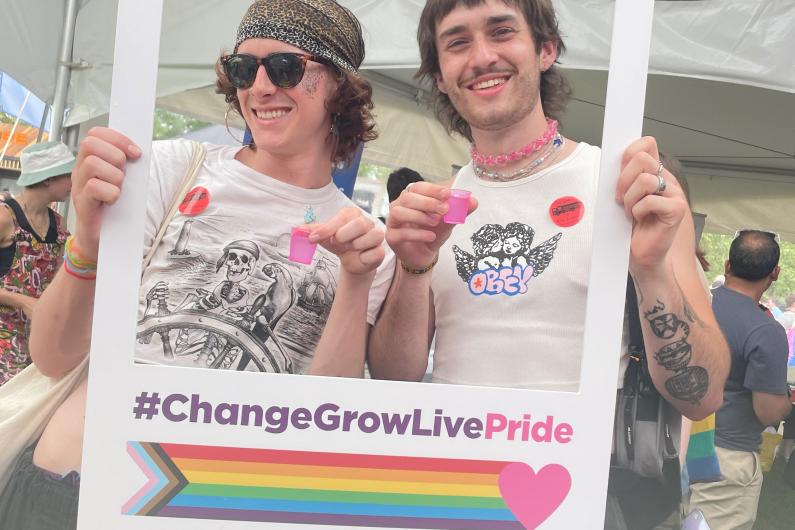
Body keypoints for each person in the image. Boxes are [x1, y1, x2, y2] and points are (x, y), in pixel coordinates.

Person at [0, 1, 393, 528]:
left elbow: (325, 416)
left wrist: (355, 279)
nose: (259, 87)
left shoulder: (367, 246)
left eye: (284, 67)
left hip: (220, 506)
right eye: (242, 68)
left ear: (340, 85)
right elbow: (52, 355)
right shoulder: (164, 170)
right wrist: (88, 240)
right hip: (73, 486)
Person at [368, 0, 730, 527]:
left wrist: (650, 271)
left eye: (501, 32)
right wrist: (415, 267)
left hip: (597, 496)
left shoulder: (627, 189)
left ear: (545, 49)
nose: (482, 56)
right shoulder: (433, 210)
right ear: (440, 76)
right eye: (457, 41)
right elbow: (394, 379)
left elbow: (704, 396)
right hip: (453, 492)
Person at [689, 230, 793, 530]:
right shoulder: (765, 330)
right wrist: (786, 400)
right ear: (775, 273)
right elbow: (768, 411)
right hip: (726, 457)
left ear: (726, 265)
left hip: (674, 444)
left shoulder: (694, 304)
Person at [0, 141, 72, 386]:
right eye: (69, 175)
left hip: (40, 344)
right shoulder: (4, 218)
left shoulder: (60, 225)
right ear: (48, 179)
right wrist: (21, 301)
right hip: (3, 343)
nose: (74, 182)